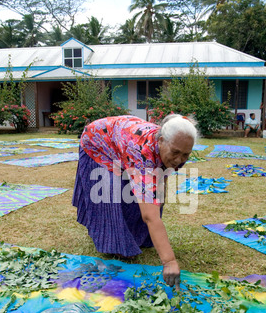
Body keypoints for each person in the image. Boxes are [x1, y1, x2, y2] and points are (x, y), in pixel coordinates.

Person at [72, 114, 198, 290]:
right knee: (110, 195)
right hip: (98, 142)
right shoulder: (142, 151)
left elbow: (159, 182)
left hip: (123, 142)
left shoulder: (171, 149)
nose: (179, 160)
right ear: (161, 141)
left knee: (146, 198)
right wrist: (169, 261)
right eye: (175, 152)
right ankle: (114, 243)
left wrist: (157, 200)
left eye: (186, 154)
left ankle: (137, 237)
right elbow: (150, 216)